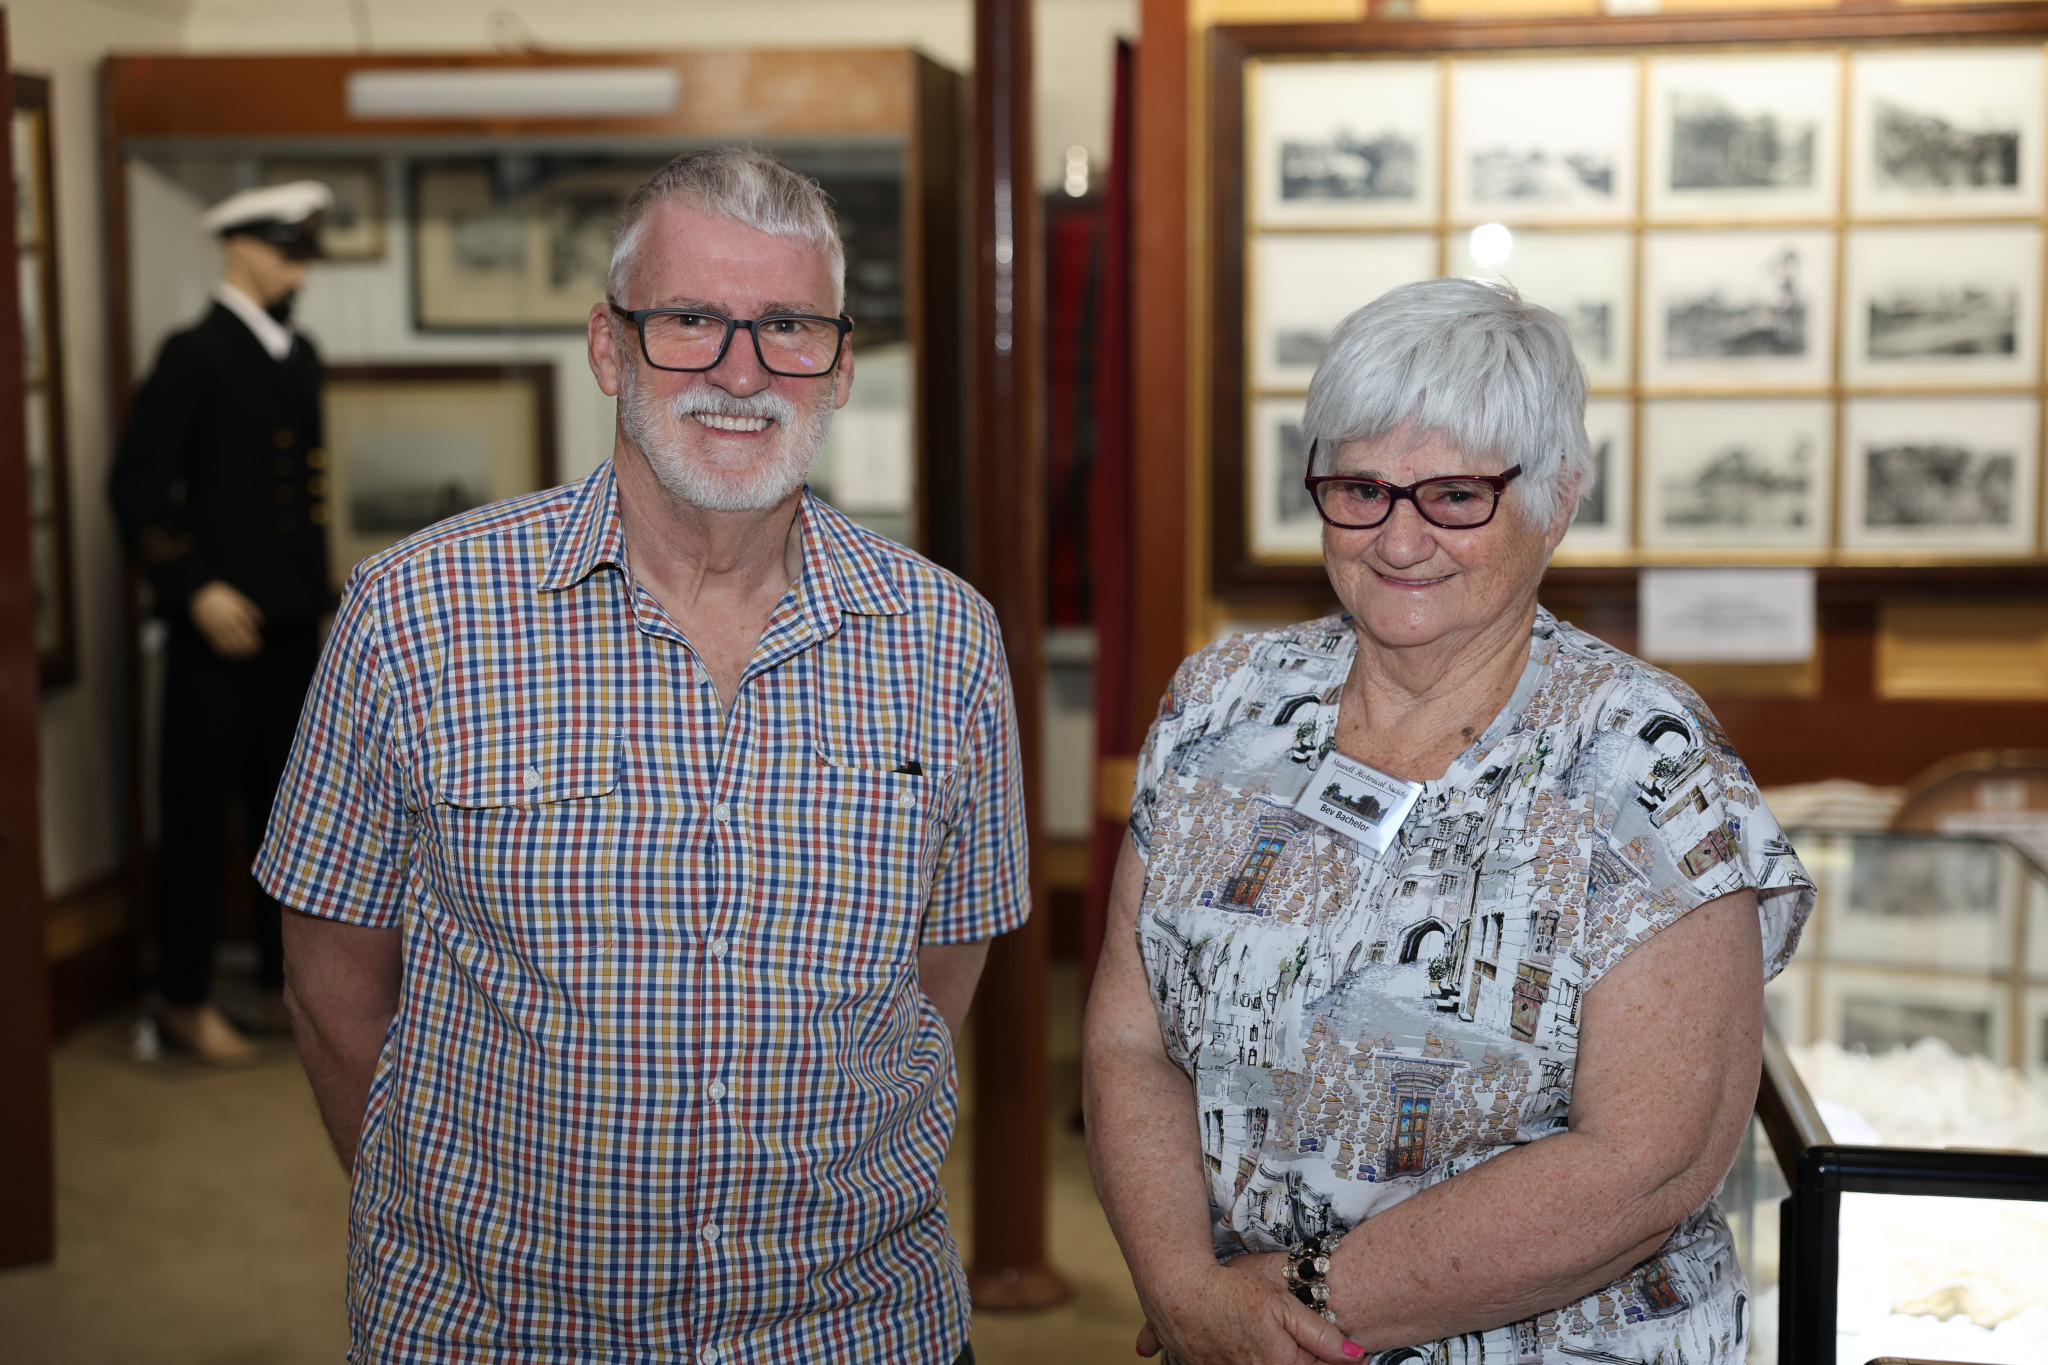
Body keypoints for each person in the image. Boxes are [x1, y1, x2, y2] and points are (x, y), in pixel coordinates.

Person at [255, 147, 1024, 1364]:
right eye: (689, 321)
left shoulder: (945, 641)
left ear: (837, 369)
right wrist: (464, 1226)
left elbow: (938, 978)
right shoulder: (414, 613)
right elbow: (331, 976)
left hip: (848, 1329)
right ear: (610, 347)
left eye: (788, 327)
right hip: (494, 1330)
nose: (740, 370)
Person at [1083, 278, 1813, 1364]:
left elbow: (1645, 1163)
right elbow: (1128, 1040)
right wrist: (1184, 1288)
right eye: (1360, 488)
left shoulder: (1642, 758)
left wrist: (1286, 1306)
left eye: (1455, 496)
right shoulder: (1220, 704)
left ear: (1555, 498)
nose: (1398, 537)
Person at [110, 180, 335, 1064]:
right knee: (199, 814)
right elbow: (136, 488)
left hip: (287, 620)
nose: (296, 262)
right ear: (238, 247)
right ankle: (184, 995)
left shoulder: (296, 351)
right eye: (285, 245)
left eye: (304, 248)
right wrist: (193, 586)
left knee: (293, 815)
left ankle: (288, 986)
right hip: (218, 625)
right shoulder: (194, 352)